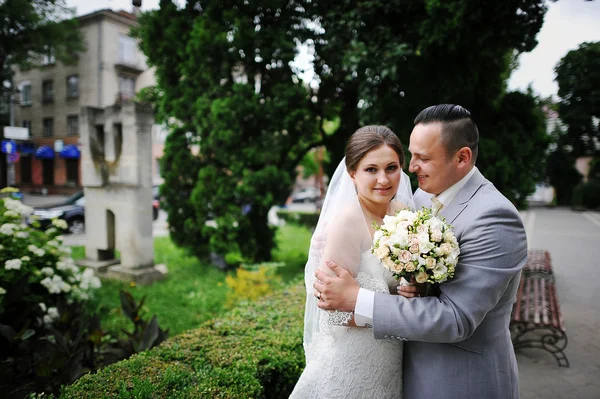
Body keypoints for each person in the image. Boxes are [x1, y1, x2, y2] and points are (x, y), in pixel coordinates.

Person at [314, 104, 528, 399]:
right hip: (396, 368)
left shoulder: (494, 218)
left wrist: (357, 298)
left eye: (423, 158)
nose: (410, 168)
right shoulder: (423, 196)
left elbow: (456, 318)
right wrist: (415, 285)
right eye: (411, 156)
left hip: (459, 382)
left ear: (462, 157)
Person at [289, 125, 415, 398]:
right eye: (371, 169)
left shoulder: (404, 214)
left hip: (390, 357)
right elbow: (333, 311)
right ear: (352, 173)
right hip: (355, 360)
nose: (383, 179)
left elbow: (409, 281)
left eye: (391, 168)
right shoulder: (347, 221)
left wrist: (417, 289)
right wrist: (400, 311)